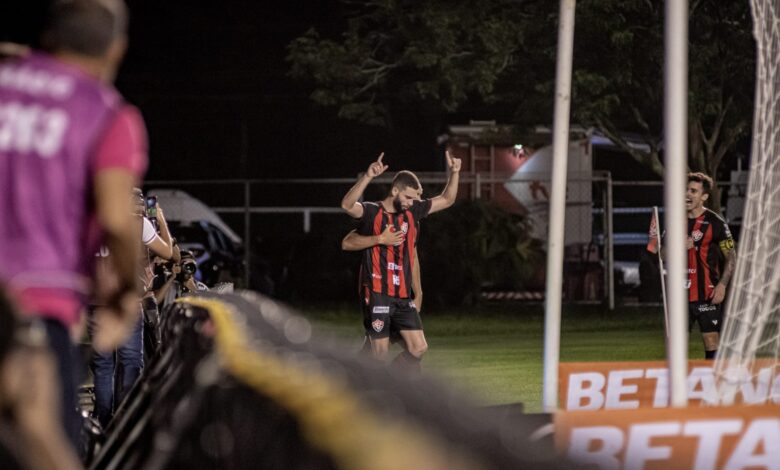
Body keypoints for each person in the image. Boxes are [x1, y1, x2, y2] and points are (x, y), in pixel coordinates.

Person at [0, 0, 146, 445]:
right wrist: (126, 290)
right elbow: (119, 221)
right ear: (115, 50)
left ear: (47, 37)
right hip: (34, 311)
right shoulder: (106, 113)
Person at [340, 151, 461, 369]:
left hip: (402, 295)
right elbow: (347, 206)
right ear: (395, 190)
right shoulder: (372, 212)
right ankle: (373, 391)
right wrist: (368, 176)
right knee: (379, 354)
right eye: (408, 197)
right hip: (377, 292)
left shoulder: (413, 212)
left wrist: (455, 173)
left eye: (415, 198)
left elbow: (447, 199)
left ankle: (390, 382)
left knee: (418, 347)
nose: (411, 203)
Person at [89, 190, 173, 429]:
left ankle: (102, 424)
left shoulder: (94, 223)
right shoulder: (138, 223)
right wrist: (161, 219)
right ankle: (125, 424)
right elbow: (168, 252)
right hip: (127, 302)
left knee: (104, 367)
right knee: (131, 363)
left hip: (97, 304)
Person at [684, 172, 736, 359]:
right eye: (686, 190)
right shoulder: (674, 221)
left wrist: (722, 285)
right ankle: (679, 386)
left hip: (707, 293)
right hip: (679, 295)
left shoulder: (716, 223)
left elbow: (731, 257)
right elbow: (661, 254)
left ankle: (711, 385)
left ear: (704, 196)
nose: (687, 194)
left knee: (712, 341)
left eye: (693, 191)